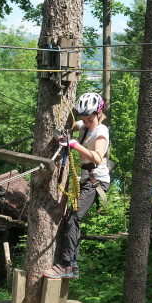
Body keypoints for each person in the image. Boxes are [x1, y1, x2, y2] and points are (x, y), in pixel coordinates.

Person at [43, 92, 111, 279]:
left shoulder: (101, 132)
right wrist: (63, 132)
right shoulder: (84, 126)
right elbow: (71, 125)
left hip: (96, 180)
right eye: (84, 119)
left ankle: (66, 265)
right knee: (72, 218)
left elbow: (97, 157)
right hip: (85, 180)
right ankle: (72, 265)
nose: (86, 123)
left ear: (99, 113)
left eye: (90, 119)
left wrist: (74, 145)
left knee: (73, 217)